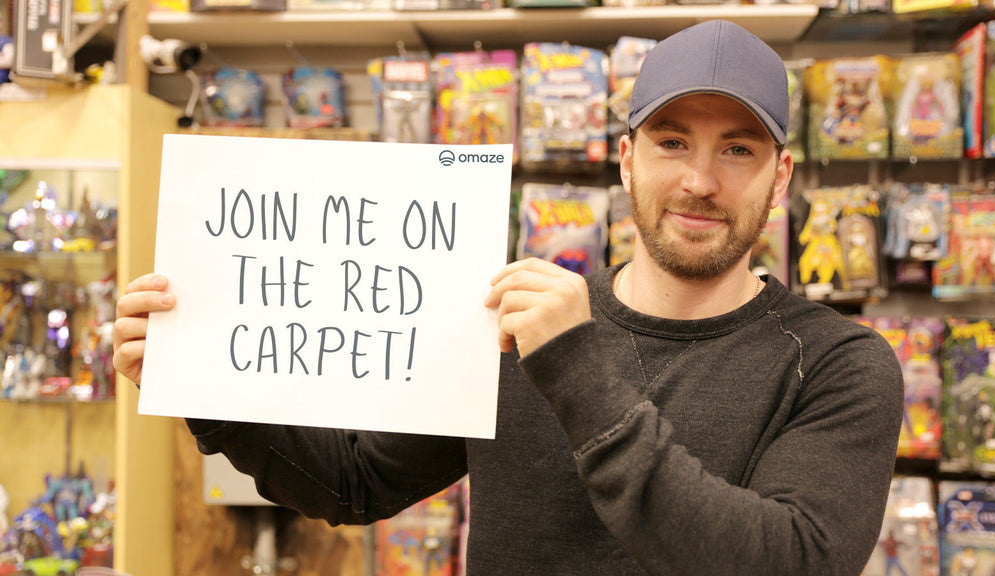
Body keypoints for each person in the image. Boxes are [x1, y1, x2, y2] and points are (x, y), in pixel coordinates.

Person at [113, 20, 903, 576]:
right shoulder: (513, 322)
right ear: (626, 159)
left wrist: (577, 370)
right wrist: (205, 382)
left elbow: (787, 562)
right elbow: (353, 482)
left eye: (738, 149)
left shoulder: (839, 364)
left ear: (781, 176)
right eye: (672, 142)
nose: (700, 180)